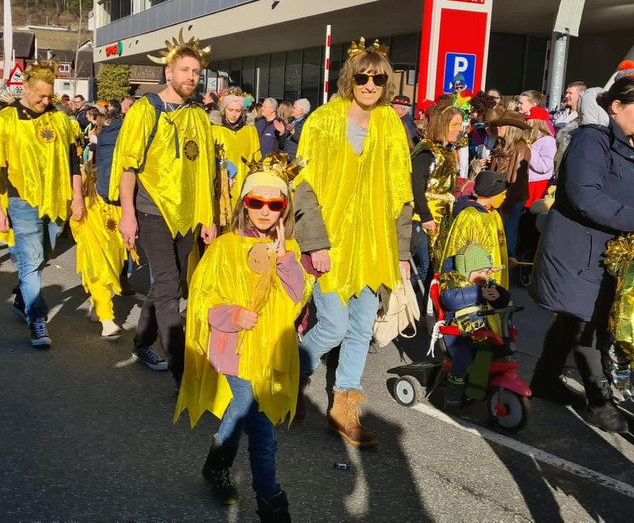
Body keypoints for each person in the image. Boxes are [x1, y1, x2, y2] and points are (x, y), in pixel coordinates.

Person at [530, 77, 634, 432]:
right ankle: (600, 403)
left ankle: (545, 380)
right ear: (616, 107)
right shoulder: (591, 141)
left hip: (607, 249)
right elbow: (586, 197)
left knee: (573, 320)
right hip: (579, 250)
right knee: (590, 324)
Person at [293, 38, 414, 448]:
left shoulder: (390, 125)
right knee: (333, 325)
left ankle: (344, 407)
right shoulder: (323, 121)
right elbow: (303, 186)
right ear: (350, 78)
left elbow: (401, 193)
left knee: (361, 329)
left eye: (378, 79)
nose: (370, 85)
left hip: (374, 245)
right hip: (332, 243)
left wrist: (401, 251)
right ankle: (291, 376)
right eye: (362, 77)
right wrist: (315, 243)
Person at [175, 154, 308, 522]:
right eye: (256, 201)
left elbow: (297, 296)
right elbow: (203, 298)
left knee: (240, 409)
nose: (264, 211)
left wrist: (285, 258)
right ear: (244, 203)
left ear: (284, 208)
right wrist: (231, 316)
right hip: (232, 349)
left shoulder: (290, 250)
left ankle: (216, 464)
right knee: (262, 431)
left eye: (274, 204)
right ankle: (271, 502)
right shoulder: (225, 247)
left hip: (269, 351)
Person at [111, 31, 217, 385]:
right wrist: (128, 214)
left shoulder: (198, 116)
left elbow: (205, 172)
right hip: (152, 211)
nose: (191, 77)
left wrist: (208, 217)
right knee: (170, 288)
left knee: (165, 286)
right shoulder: (146, 110)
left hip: (187, 217)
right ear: (168, 72)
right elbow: (128, 166)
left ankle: (142, 343)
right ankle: (182, 373)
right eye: (185, 70)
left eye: (196, 72)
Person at [0, 61, 85, 348]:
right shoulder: (5, 120)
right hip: (22, 199)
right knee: (31, 258)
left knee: (43, 256)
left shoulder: (60, 121)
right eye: (40, 95)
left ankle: (21, 298)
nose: (45, 101)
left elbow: (73, 162)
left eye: (49, 96)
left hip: (56, 199)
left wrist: (77, 197)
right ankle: (37, 318)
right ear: (25, 88)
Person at [70, 109, 129, 340]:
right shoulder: (112, 139)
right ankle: (107, 318)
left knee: (113, 261)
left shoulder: (119, 140)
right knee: (98, 262)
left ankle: (98, 304)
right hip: (95, 205)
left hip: (115, 207)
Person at [438, 243, 511, 407]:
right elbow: (451, 299)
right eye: (480, 272)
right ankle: (453, 390)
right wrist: (478, 293)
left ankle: (481, 387)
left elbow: (502, 300)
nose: (484, 276)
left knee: (500, 350)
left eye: (486, 272)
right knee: (463, 355)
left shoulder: (484, 284)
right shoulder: (453, 281)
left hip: (481, 332)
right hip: (457, 334)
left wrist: (499, 295)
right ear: (466, 271)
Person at [410, 104, 462, 281]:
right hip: (424, 215)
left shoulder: (448, 151)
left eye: (460, 125)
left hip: (443, 216)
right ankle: (410, 298)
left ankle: (428, 299)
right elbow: (416, 185)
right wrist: (426, 216)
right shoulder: (427, 150)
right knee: (424, 265)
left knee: (436, 265)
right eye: (455, 125)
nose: (459, 130)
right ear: (443, 125)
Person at [441, 170, 510, 288]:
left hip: (493, 274)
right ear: (491, 193)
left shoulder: (494, 215)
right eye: (502, 194)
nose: (504, 197)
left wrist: (508, 256)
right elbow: (458, 249)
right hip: (474, 277)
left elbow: (499, 241)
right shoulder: (469, 216)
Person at [488, 110, 532, 264]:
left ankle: (508, 265)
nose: (498, 127)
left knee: (508, 232)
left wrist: (506, 205)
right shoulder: (500, 146)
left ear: (511, 128)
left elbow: (517, 182)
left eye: (502, 125)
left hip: (511, 198)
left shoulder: (521, 149)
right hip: (497, 196)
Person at [213, 93, 261, 204]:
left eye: (238, 111)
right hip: (223, 181)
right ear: (224, 110)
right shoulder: (215, 130)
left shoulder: (250, 131)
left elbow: (256, 158)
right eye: (230, 110)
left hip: (244, 180)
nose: (234, 114)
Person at [525, 106, 557, 209]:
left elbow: (545, 167)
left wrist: (530, 151)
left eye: (528, 119)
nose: (526, 121)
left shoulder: (548, 140)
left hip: (538, 185)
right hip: (526, 183)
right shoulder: (529, 138)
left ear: (536, 121)